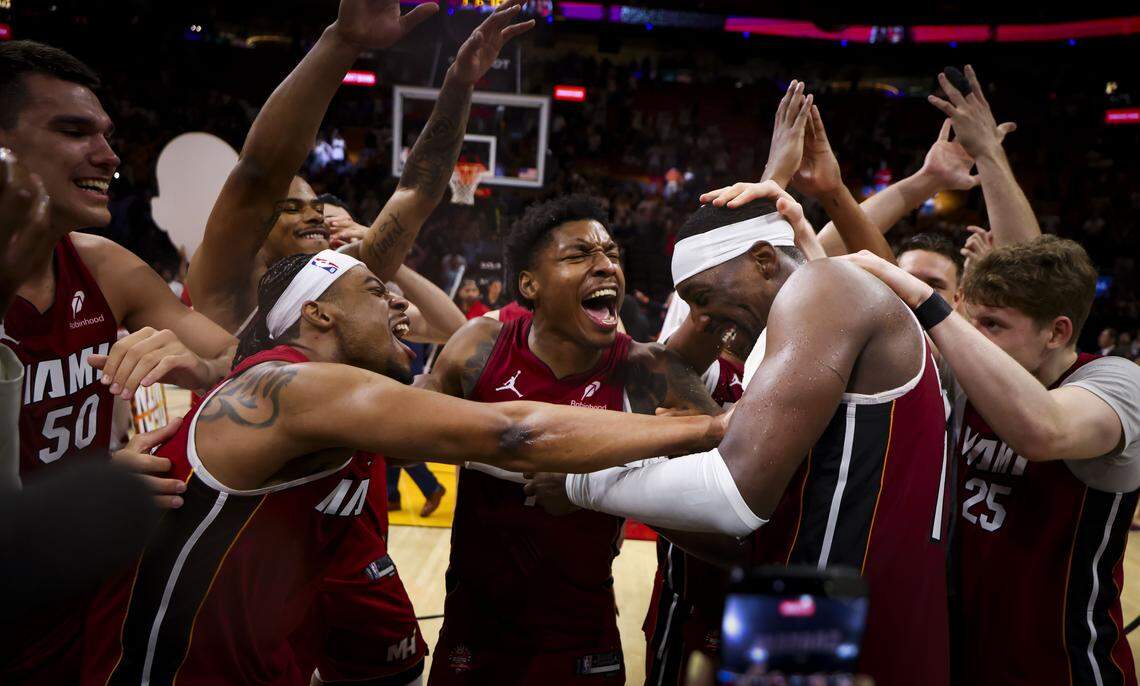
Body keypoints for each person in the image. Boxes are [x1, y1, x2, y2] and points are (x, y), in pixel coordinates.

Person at [80, 249, 729, 685]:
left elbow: (481, 381)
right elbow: (511, 430)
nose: (398, 307)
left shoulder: (323, 398)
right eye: (374, 291)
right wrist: (708, 427)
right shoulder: (297, 387)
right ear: (318, 313)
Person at [526, 84, 952, 682]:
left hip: (837, 623)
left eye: (706, 297)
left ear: (759, 259)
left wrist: (579, 483)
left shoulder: (825, 289)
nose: (707, 319)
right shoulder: (826, 303)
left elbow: (737, 496)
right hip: (824, 607)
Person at [179, 2, 527, 682]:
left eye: (317, 205)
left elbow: (417, 193)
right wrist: (341, 44)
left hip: (353, 548)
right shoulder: (227, 299)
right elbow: (257, 174)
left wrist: (456, 88)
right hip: (254, 568)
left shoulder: (345, 284)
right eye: (294, 206)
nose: (312, 213)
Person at [0, 41, 237, 683]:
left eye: (107, 135)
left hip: (86, 612)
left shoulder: (104, 266)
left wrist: (199, 361)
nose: (109, 157)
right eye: (74, 131)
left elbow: (236, 361)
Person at [417, 193, 722, 685]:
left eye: (612, 255)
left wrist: (598, 486)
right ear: (529, 284)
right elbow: (407, 430)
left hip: (580, 629)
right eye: (580, 255)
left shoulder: (645, 370)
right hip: (475, 623)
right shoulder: (477, 349)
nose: (605, 266)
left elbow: (726, 489)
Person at [842, 239, 1140, 686]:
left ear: (1057, 332)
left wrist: (927, 299)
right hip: (965, 651)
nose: (973, 336)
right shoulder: (974, 377)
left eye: (993, 324)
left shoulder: (1117, 380)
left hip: (1063, 662)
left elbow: (1043, 430)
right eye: (971, 320)